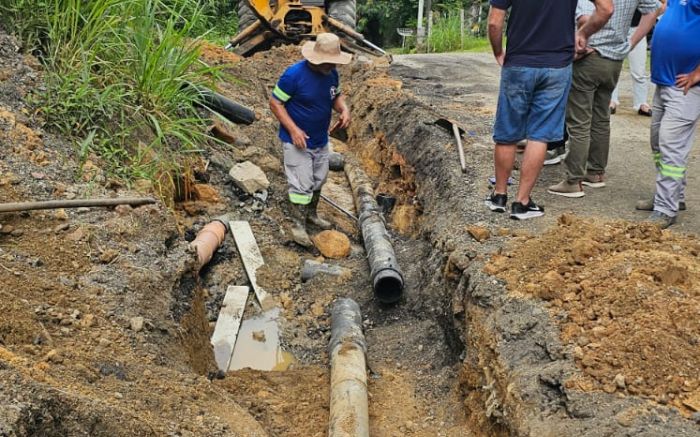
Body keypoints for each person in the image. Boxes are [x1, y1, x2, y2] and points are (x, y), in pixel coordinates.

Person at [485, 0, 613, 219]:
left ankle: (499, 196)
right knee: (540, 134)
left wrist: (498, 52)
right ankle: (522, 202)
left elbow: (495, 23)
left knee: (507, 133)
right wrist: (583, 33)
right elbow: (606, 8)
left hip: (519, 62)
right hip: (557, 65)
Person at [548, 0, 659, 198]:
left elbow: (584, 17)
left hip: (589, 55)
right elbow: (654, 10)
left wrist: (582, 35)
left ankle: (573, 180)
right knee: (600, 117)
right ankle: (596, 172)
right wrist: (631, 43)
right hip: (614, 60)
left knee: (579, 121)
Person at [269, 33, 352, 247]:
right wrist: (294, 130)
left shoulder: (331, 74)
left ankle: (311, 215)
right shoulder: (293, 75)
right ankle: (297, 224)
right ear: (315, 58)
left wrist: (343, 109)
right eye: (327, 63)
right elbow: (275, 103)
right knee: (301, 184)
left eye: (333, 62)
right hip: (297, 140)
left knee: (319, 179)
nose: (331, 66)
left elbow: (335, 96)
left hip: (320, 139)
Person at [639, 0, 700, 228]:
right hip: (664, 82)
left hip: (685, 88)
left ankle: (666, 209)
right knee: (658, 143)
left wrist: (697, 73)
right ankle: (673, 196)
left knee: (671, 147)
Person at [609, 10, 654, 116]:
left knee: (639, 70)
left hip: (637, 28)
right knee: (613, 66)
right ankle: (612, 100)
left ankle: (641, 103)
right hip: (615, 27)